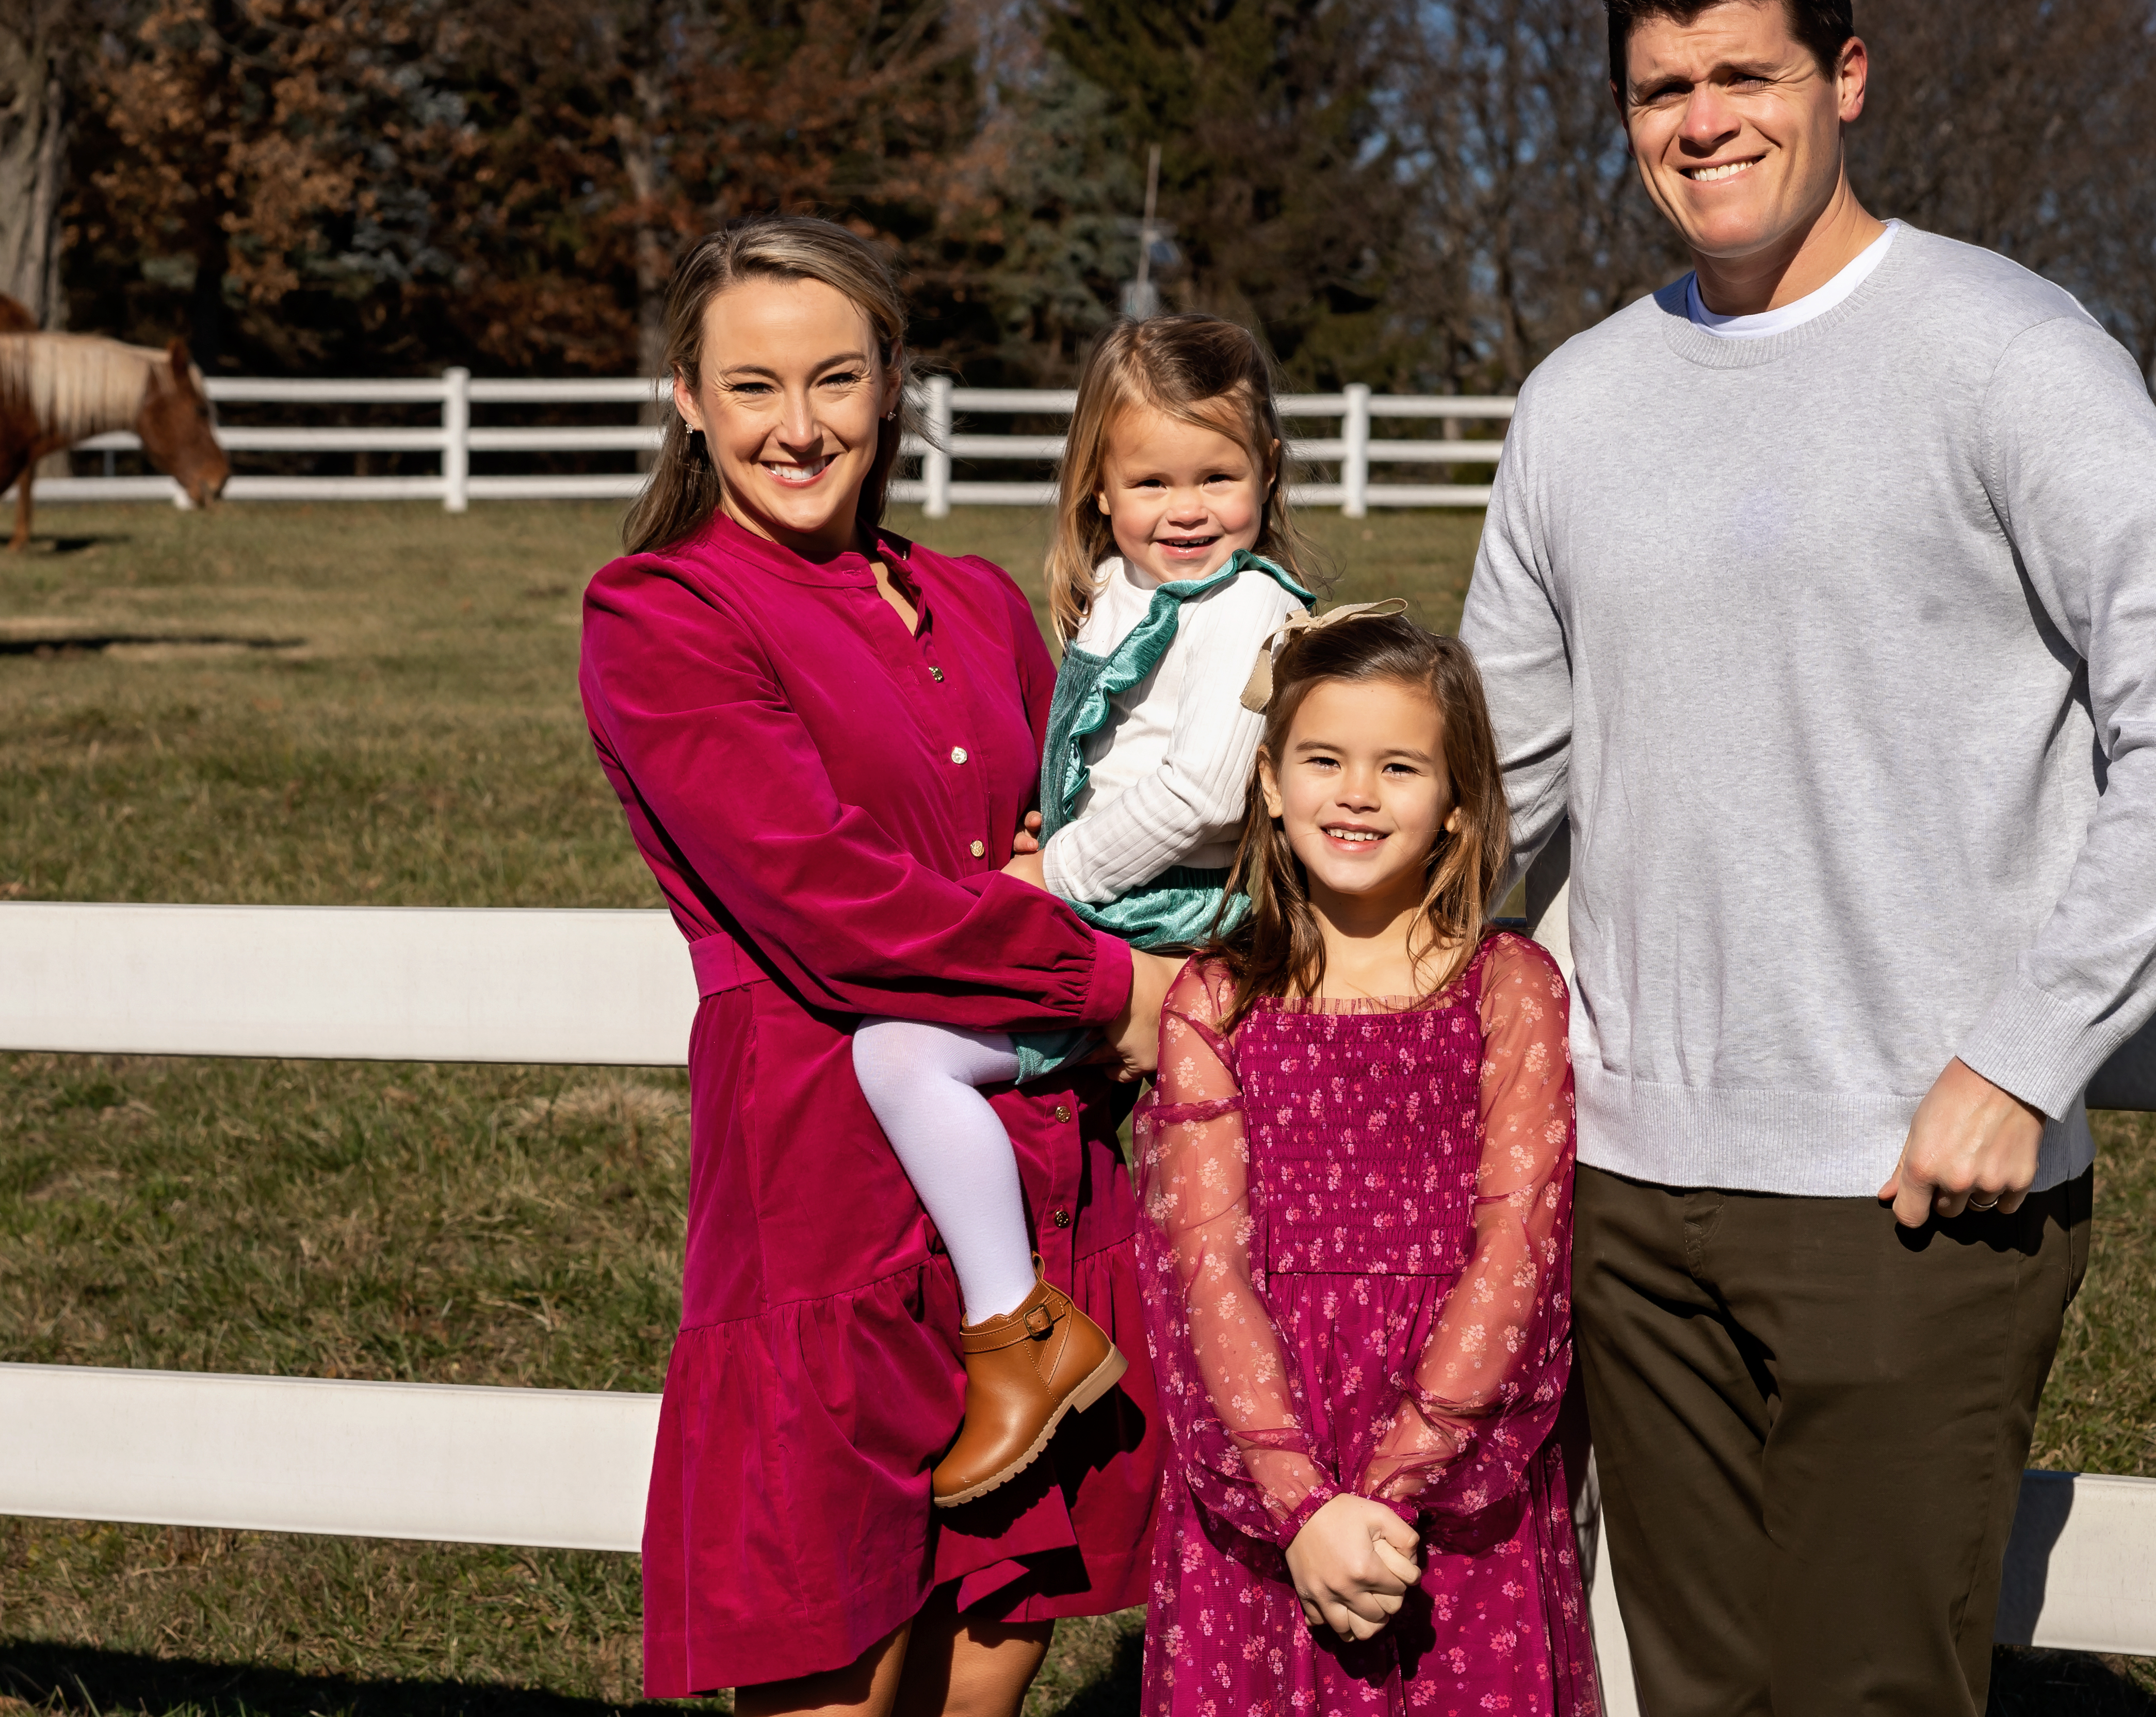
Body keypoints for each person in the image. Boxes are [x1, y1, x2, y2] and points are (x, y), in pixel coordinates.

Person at [1459, 0, 2156, 1714]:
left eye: (1741, 73)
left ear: (1844, 76)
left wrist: (2024, 1052)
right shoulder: (1577, 405)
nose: (1701, 121)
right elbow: (1491, 795)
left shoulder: (2003, 349)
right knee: (1688, 1690)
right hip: (1626, 1180)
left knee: (1867, 1695)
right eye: (1658, 88)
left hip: (1916, 1188)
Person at [579, 218, 1176, 1716]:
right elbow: (828, 899)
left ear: (893, 384)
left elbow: (1098, 826)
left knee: (1000, 1634)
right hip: (823, 1179)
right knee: (834, 1647)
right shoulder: (662, 614)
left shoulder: (977, 601)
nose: (800, 426)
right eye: (754, 385)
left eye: (836, 379)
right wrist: (1104, 987)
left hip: (1029, 1166)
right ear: (688, 399)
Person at [848, 316, 1315, 1509]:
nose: (1187, 506)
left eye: (1219, 475)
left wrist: (1055, 873)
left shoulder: (1252, 613)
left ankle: (1018, 1327)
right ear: (1097, 490)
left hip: (1172, 919)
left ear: (1267, 469)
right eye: (1152, 478)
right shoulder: (1113, 598)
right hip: (1106, 907)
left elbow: (1205, 794)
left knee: (900, 1055)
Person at [1136, 607, 1597, 1715]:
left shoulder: (1507, 987)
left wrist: (1393, 1486)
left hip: (1449, 1445)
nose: (1355, 792)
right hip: (1268, 1446)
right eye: (1325, 760)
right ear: (1270, 779)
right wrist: (1300, 1503)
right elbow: (1204, 1264)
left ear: (1458, 804)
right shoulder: (1218, 999)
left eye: (1398, 767)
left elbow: (1520, 1245)